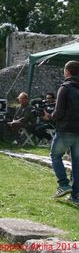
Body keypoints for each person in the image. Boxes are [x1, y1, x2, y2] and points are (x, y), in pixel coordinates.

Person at [43, 60, 79, 205]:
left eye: (64, 70)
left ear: (68, 72)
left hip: (66, 130)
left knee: (55, 155)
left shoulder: (65, 87)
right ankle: (76, 196)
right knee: (77, 163)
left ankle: (63, 184)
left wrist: (49, 116)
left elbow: (58, 112)